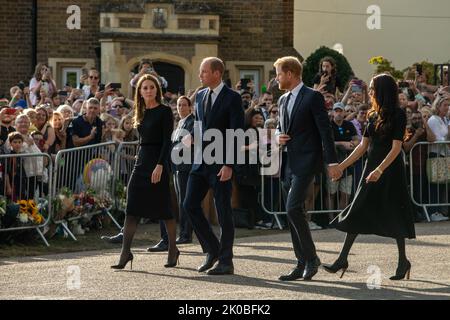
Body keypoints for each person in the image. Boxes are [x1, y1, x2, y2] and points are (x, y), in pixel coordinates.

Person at [324, 74, 416, 281]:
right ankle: (342, 259)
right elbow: (362, 146)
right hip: (371, 169)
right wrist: (340, 167)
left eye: (374, 88)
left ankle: (403, 261)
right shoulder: (373, 115)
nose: (371, 92)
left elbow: (396, 148)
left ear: (383, 90)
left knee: (394, 213)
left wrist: (380, 170)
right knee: (357, 209)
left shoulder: (398, 115)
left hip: (390, 171)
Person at [275, 56, 340, 281]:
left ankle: (311, 258)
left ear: (291, 74)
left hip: (307, 161)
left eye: (279, 74)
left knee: (293, 208)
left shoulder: (312, 97)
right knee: (294, 212)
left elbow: (325, 131)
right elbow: (279, 127)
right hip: (288, 164)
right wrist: (277, 136)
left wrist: (331, 162)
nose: (277, 78)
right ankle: (301, 261)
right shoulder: (282, 99)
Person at [182, 57, 244, 275]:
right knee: (189, 205)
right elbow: (199, 125)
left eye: (204, 72)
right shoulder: (199, 95)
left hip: (221, 163)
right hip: (201, 163)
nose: (200, 76)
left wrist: (230, 164)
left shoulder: (233, 98)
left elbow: (237, 133)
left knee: (223, 212)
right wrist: (190, 136)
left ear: (217, 73)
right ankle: (212, 250)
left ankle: (226, 261)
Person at [111, 74, 179, 270]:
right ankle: (125, 253)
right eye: (144, 88)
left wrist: (160, 165)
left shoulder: (165, 111)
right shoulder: (139, 112)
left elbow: (167, 141)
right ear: (139, 92)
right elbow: (142, 142)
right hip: (141, 163)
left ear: (157, 89)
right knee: (132, 209)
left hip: (158, 163)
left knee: (164, 209)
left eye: (151, 87)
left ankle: (172, 249)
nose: (148, 90)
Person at [149, 96, 196, 252]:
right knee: (182, 199)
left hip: (186, 165)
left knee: (185, 200)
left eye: (184, 105)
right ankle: (184, 233)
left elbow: (189, 142)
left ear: (190, 107)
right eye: (179, 105)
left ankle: (186, 234)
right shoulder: (179, 124)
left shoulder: (192, 122)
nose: (181, 108)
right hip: (176, 166)